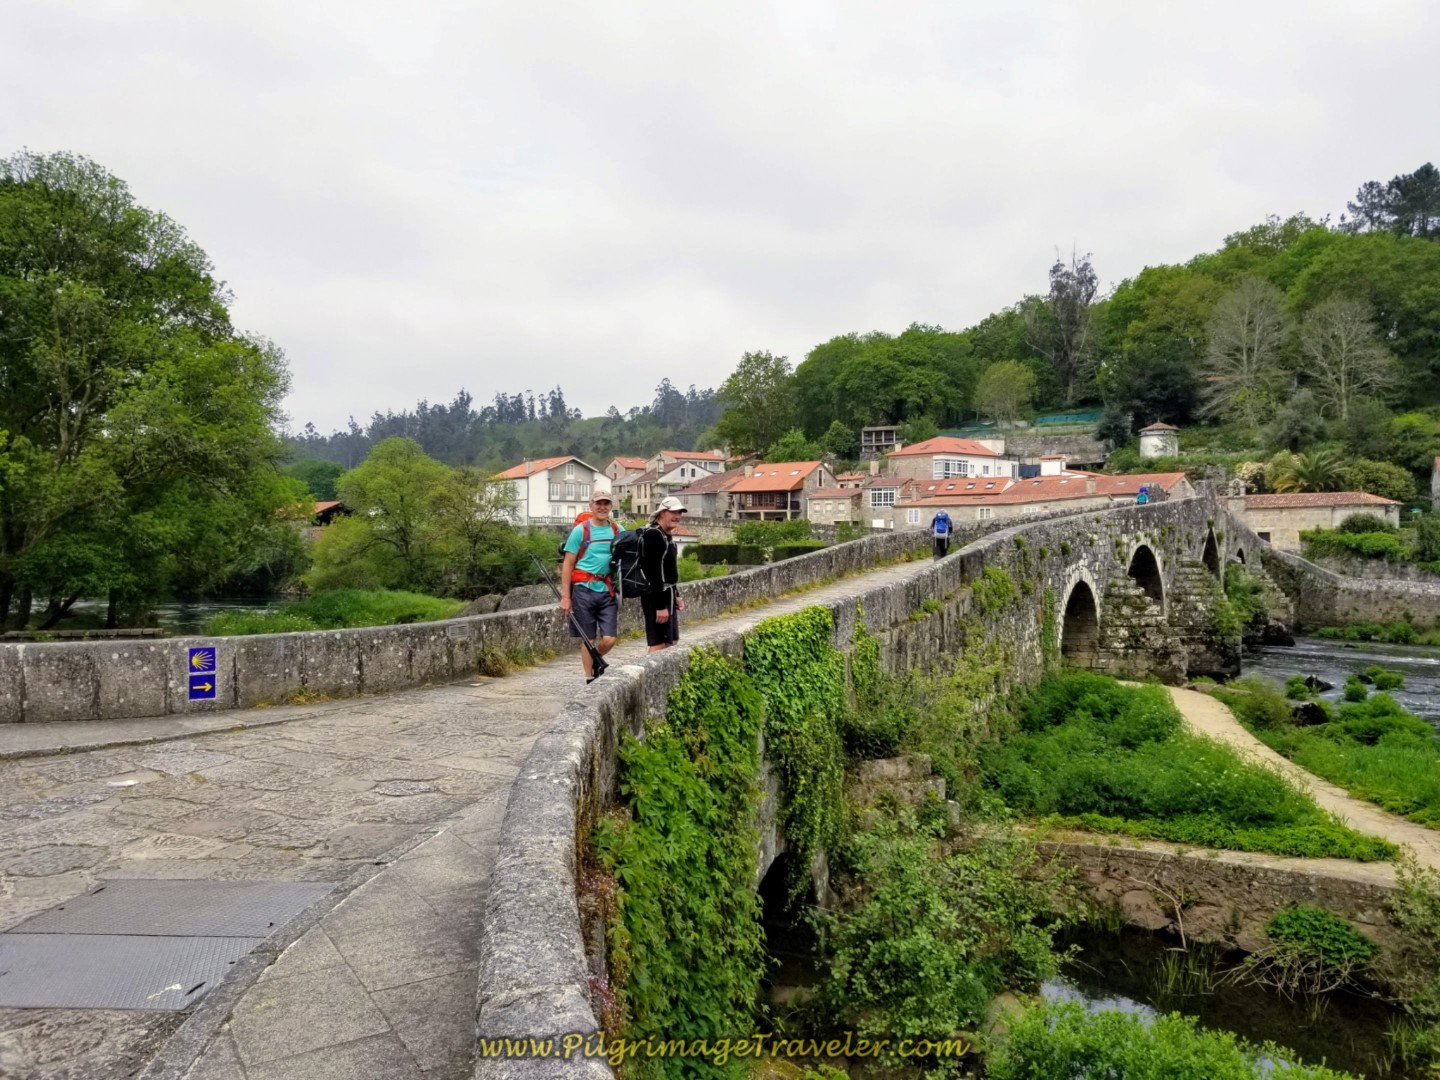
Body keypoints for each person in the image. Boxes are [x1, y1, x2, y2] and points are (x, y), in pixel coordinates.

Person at [559, 493, 619, 681]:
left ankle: (596, 659)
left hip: (607, 590)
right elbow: (568, 564)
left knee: (609, 639)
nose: (602, 507)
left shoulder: (617, 530)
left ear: (611, 507)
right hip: (583, 590)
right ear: (591, 506)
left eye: (606, 504)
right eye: (598, 504)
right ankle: (589, 678)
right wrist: (566, 597)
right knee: (588, 638)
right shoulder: (581, 531)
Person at [640, 496, 687, 652]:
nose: (677, 516)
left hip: (667, 594)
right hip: (655, 596)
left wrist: (676, 594)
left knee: (669, 642)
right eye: (673, 512)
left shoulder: (666, 535)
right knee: (658, 643)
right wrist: (660, 606)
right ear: (661, 514)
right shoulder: (653, 535)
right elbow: (653, 572)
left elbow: (667, 571)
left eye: (679, 513)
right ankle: (650, 676)